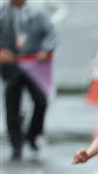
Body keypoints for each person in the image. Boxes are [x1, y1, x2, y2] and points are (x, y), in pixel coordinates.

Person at [0, 0, 56, 161]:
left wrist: (46, 49)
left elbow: (52, 33)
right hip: (11, 65)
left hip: (33, 65)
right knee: (12, 104)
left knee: (41, 100)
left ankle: (33, 134)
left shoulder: (37, 12)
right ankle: (15, 143)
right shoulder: (3, 13)